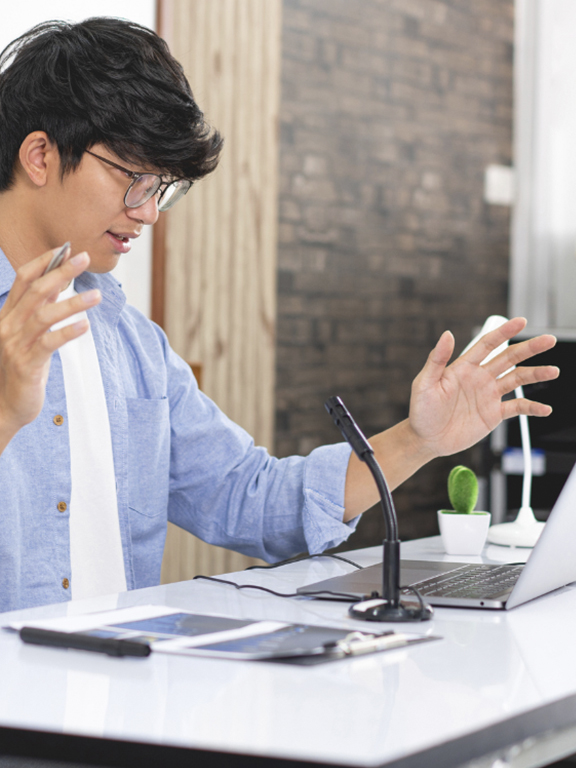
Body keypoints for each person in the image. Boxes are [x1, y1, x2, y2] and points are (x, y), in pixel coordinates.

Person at [0, 18, 558, 614]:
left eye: (161, 187)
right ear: (40, 155)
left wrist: (418, 439)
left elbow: (250, 498)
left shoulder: (132, 345)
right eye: (134, 178)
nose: (149, 213)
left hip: (115, 690)